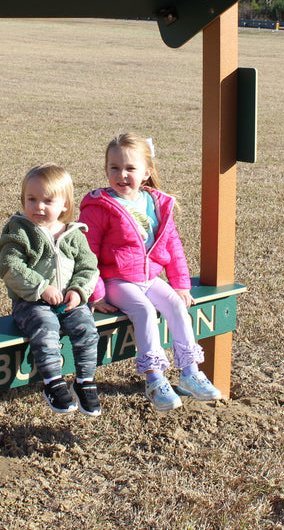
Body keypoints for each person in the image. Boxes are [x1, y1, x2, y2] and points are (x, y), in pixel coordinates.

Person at [79, 133, 221, 411]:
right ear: (106, 170)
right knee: (143, 310)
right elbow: (87, 253)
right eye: (114, 167)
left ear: (146, 172)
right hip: (116, 281)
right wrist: (96, 294)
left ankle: (190, 373)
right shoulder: (99, 206)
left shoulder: (155, 203)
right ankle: (154, 380)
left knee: (176, 306)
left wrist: (181, 285)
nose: (122, 175)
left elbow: (173, 246)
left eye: (130, 168)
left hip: (149, 278)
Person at [0, 163, 102, 416]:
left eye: (47, 200)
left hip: (69, 301)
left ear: (64, 204)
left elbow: (89, 267)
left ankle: (85, 381)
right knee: (46, 328)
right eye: (31, 199)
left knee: (87, 329)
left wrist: (78, 291)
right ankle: (52, 382)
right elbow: (8, 265)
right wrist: (41, 287)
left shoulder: (74, 234)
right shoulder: (20, 231)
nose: (38, 207)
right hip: (31, 302)